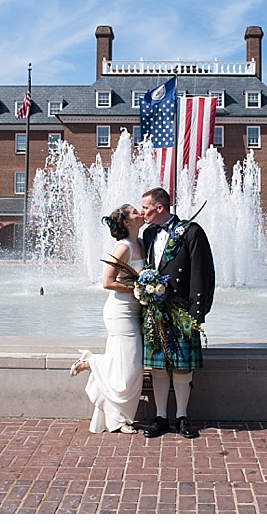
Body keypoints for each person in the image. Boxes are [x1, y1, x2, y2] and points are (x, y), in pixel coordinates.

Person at [139, 187, 215, 439]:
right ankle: (160, 417)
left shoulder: (191, 232)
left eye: (146, 207)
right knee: (158, 367)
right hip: (156, 310)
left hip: (181, 309)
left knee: (182, 367)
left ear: (160, 207)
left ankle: (182, 416)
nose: (143, 212)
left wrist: (197, 312)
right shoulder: (148, 233)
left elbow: (201, 273)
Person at [70, 204, 147, 434]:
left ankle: (118, 417)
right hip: (120, 312)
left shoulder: (141, 243)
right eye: (135, 212)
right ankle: (91, 363)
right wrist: (138, 287)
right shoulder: (123, 248)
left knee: (129, 365)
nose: (140, 214)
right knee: (130, 369)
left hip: (135, 311)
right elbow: (107, 282)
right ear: (126, 222)